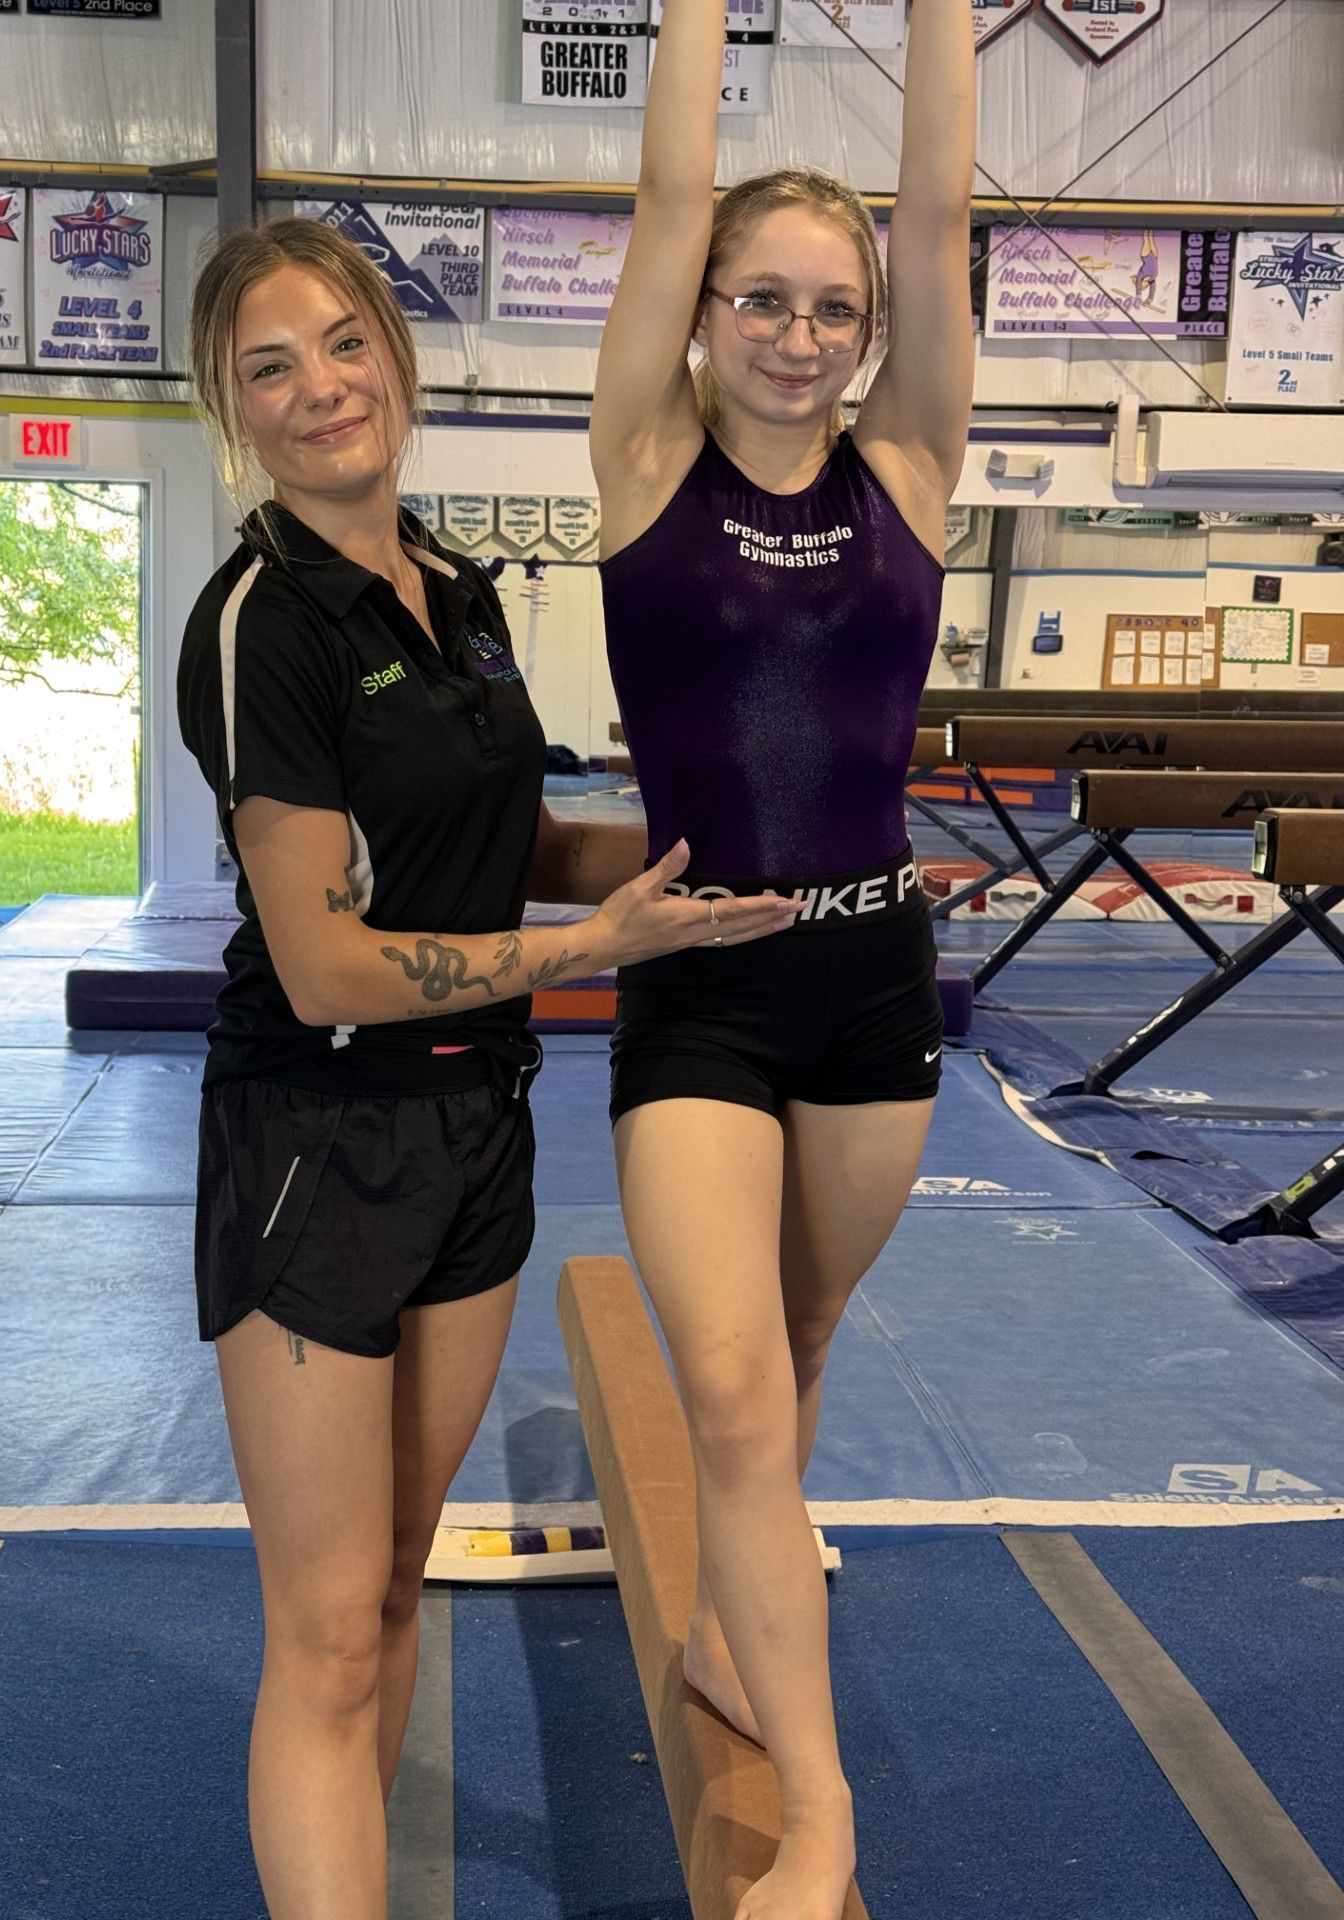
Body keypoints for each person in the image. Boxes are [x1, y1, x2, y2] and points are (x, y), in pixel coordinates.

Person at [176, 216, 799, 1920]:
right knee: (318, 1631)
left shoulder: (451, 589)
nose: (322, 390)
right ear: (235, 414)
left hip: (473, 1127)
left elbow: (502, 834)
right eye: (271, 370)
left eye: (344, 344)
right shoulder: (262, 622)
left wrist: (696, 861)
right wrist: (596, 954)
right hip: (319, 1136)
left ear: (399, 351)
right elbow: (320, 966)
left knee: (387, 1589)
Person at [589, 3, 976, 1915]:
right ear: (703, 313)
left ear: (872, 333)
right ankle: (819, 1812)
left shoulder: (906, 471)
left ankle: (738, 1635)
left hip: (872, 974)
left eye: (833, 307)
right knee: (731, 1390)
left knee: (803, 1343)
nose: (799, 333)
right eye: (763, 298)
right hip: (703, 981)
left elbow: (945, 203)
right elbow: (669, 185)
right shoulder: (645, 457)